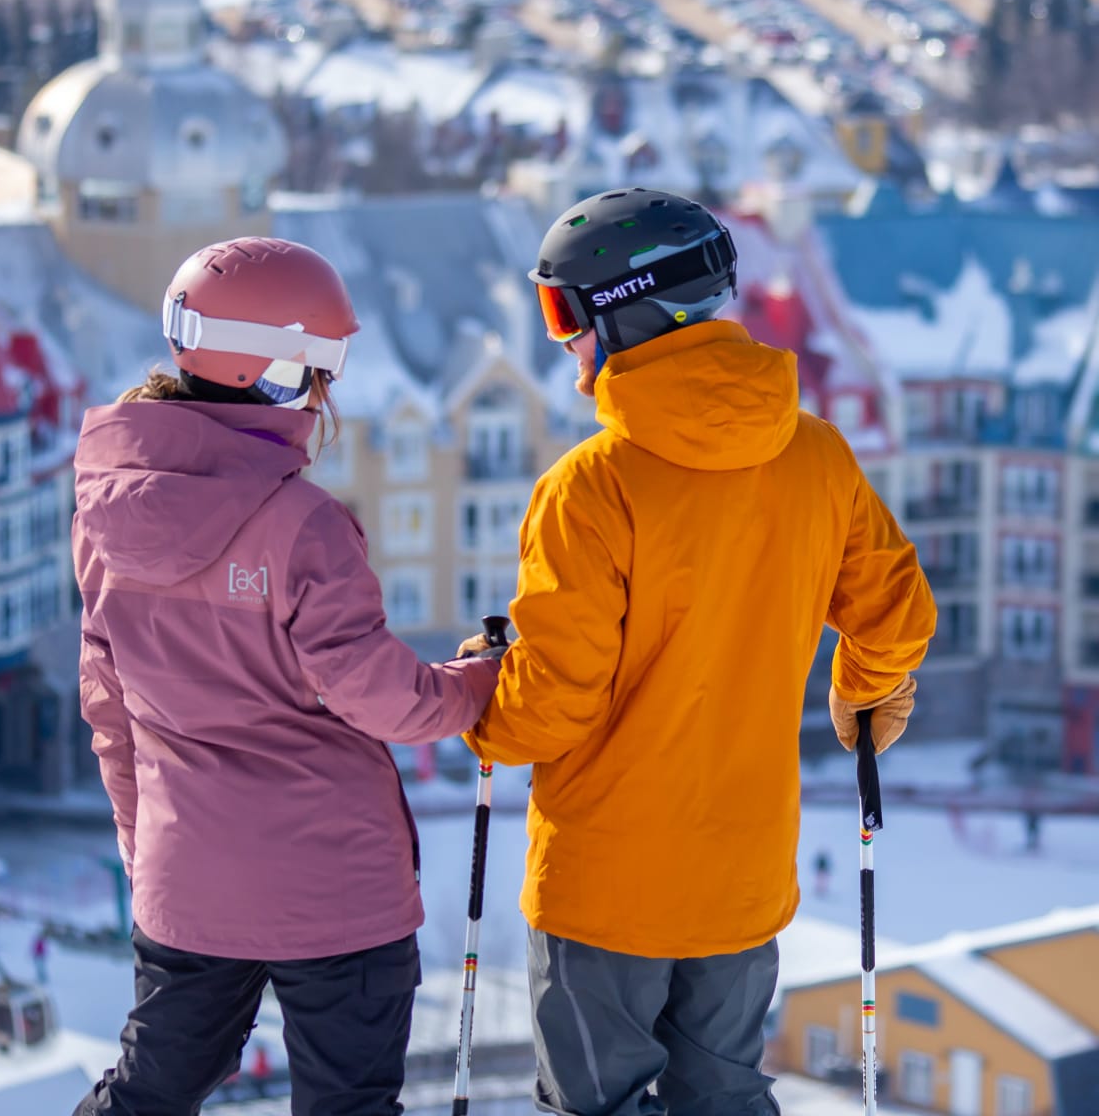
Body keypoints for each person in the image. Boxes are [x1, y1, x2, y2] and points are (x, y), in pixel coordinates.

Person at [458, 188, 937, 1115]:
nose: (561, 344)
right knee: (723, 1096)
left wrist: (487, 701)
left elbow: (547, 707)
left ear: (623, 313)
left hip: (605, 890)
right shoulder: (817, 456)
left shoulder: (591, 489)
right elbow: (896, 612)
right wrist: (865, 692)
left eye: (564, 313)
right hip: (741, 881)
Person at [71, 236, 501, 1116]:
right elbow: (384, 699)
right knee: (348, 1104)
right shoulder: (302, 525)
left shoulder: (105, 513)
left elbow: (109, 710)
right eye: (319, 367)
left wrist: (150, 848)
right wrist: (479, 679)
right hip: (333, 889)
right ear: (276, 367)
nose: (323, 390)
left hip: (188, 875)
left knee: (148, 1093)